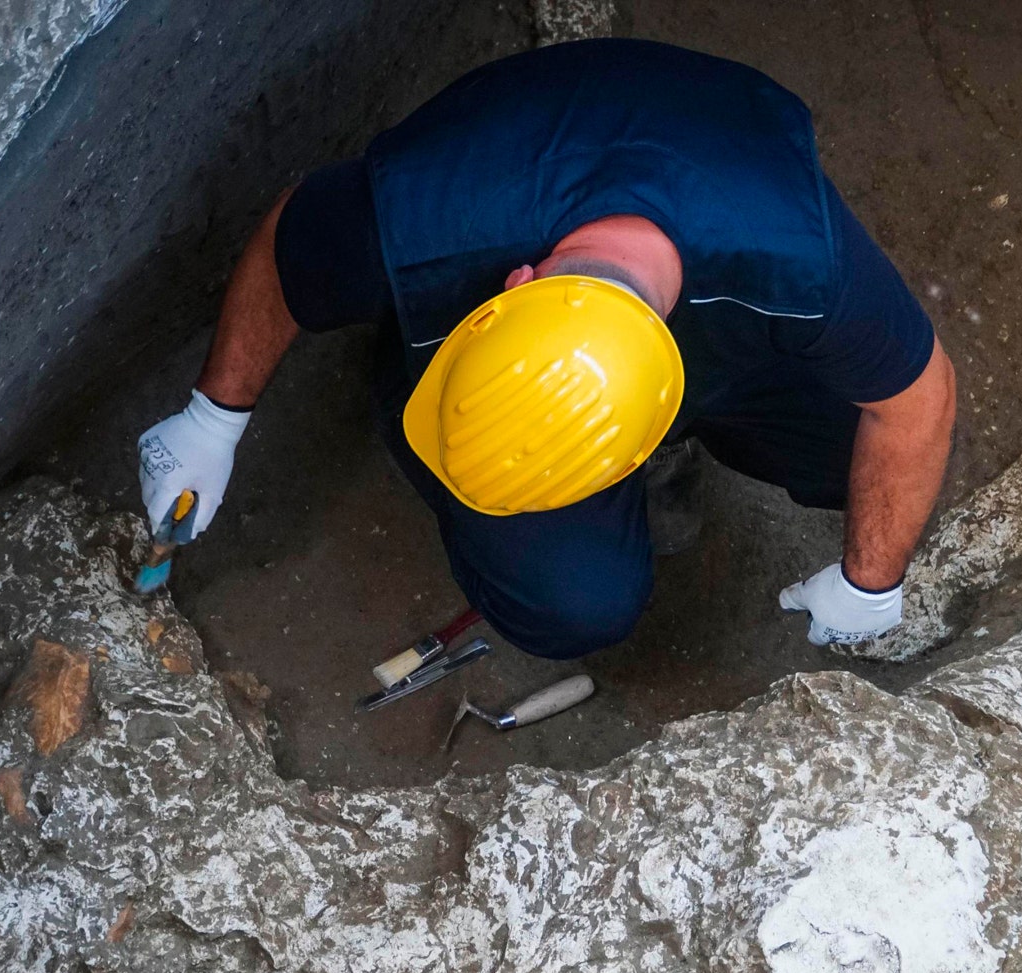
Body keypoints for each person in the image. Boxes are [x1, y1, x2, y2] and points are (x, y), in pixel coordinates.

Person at [136, 38, 955, 658]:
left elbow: (919, 397)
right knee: (576, 603)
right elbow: (288, 247)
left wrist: (869, 581)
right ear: (515, 282)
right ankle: (408, 375)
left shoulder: (798, 261)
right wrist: (212, 419)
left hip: (724, 224)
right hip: (511, 167)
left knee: (868, 452)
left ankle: (685, 446)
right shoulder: (425, 219)